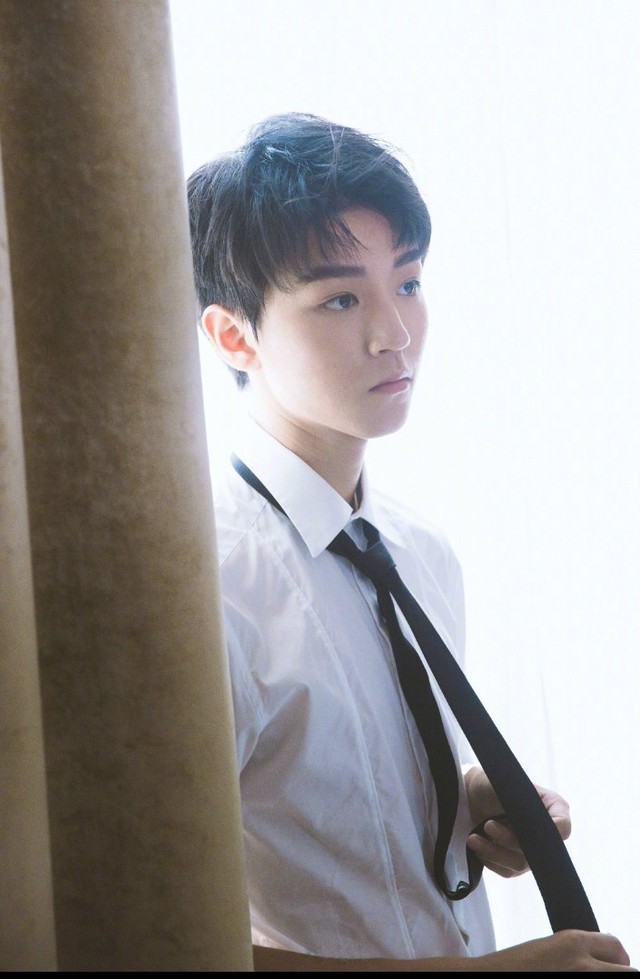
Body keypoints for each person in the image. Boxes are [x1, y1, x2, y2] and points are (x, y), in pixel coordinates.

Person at [186, 112, 634, 972]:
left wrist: (463, 800)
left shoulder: (418, 550)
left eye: (410, 282)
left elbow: (329, 794)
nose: (394, 332)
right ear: (234, 335)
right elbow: (160, 937)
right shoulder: (207, 590)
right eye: (341, 298)